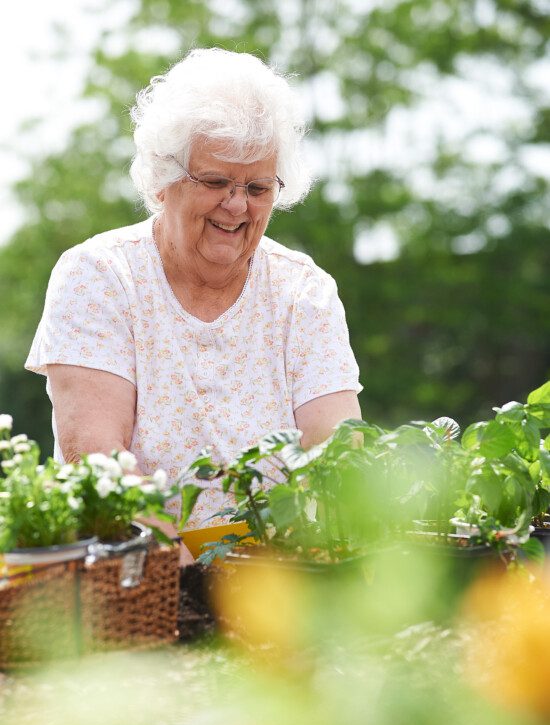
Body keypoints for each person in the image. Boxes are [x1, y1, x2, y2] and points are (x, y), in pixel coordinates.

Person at [25, 48, 362, 535]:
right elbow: (96, 461)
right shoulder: (100, 275)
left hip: (278, 579)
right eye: (216, 180)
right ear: (164, 180)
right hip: (136, 574)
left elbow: (338, 456)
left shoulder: (304, 292)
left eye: (258, 187)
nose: (236, 205)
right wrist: (194, 570)